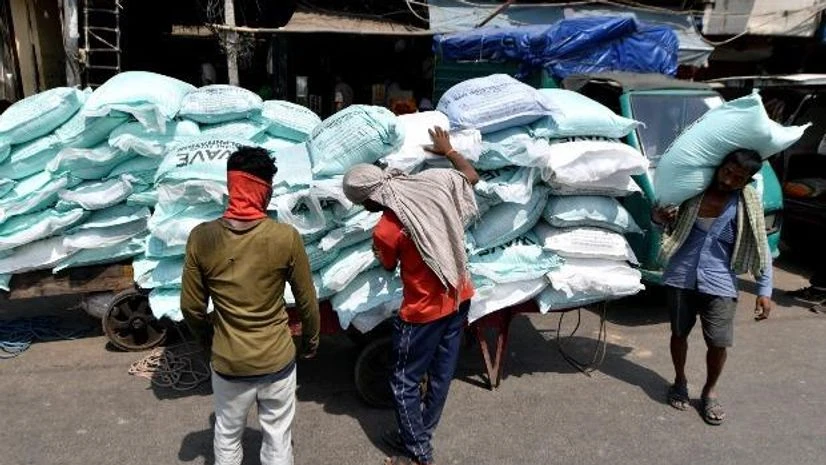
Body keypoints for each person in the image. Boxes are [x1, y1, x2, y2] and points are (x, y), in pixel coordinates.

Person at [342, 127, 480, 465]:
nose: (365, 210)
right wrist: (448, 150)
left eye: (363, 204)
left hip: (423, 312)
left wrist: (380, 253)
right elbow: (470, 176)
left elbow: (388, 266)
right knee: (441, 373)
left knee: (403, 381)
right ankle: (415, 434)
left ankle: (418, 453)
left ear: (371, 198)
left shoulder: (387, 228)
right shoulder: (432, 183)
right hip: (460, 294)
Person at [181, 146, 320, 465]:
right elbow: (307, 302)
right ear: (265, 192)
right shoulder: (286, 237)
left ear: (232, 187)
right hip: (277, 361)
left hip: (228, 362)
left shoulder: (201, 238)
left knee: (227, 435)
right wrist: (310, 342)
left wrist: (208, 344)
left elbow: (191, 307)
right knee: (277, 439)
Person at [653, 148, 774, 426]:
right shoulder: (692, 191)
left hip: (721, 280)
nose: (729, 181)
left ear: (747, 181)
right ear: (720, 167)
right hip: (681, 276)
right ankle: (680, 381)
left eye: (738, 178)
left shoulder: (748, 203)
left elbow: (760, 245)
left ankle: (710, 391)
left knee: (718, 342)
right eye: (727, 172)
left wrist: (764, 290)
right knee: (679, 332)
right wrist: (659, 218)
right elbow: (664, 224)